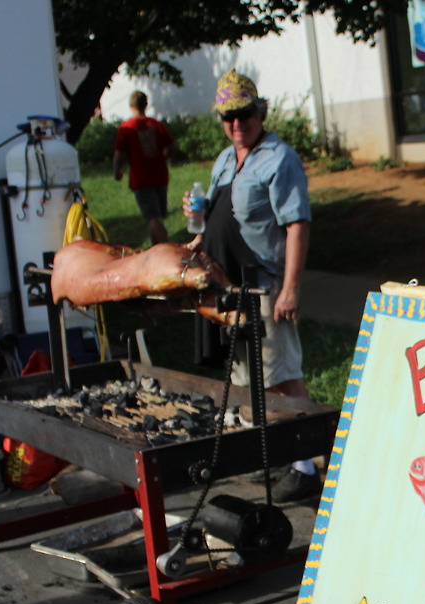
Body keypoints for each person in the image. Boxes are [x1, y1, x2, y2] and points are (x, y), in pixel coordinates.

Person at [183, 69, 319, 502]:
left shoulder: (279, 159)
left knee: (282, 378)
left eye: (244, 113)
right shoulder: (225, 160)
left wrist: (290, 289)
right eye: (228, 116)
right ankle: (280, 456)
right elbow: (219, 217)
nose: (237, 123)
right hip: (230, 288)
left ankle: (310, 465)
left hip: (264, 285)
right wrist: (198, 229)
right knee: (248, 380)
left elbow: (297, 225)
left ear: (260, 112)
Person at [114, 91, 177, 246]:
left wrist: (117, 170)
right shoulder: (156, 125)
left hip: (141, 179)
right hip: (160, 176)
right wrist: (163, 157)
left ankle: (167, 249)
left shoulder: (127, 127)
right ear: (146, 105)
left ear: (131, 106)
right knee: (156, 217)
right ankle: (156, 249)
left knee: (153, 218)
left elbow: (119, 153)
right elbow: (172, 147)